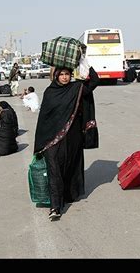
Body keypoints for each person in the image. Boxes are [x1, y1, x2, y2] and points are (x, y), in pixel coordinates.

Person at [34, 66, 99, 220]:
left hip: (72, 138)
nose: (64, 77)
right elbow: (44, 119)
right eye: (61, 74)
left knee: (70, 165)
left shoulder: (76, 88)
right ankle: (55, 206)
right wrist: (41, 143)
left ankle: (69, 194)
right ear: (56, 76)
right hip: (52, 140)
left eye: (67, 74)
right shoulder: (50, 93)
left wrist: (84, 63)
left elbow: (95, 81)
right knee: (54, 169)